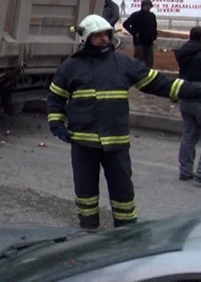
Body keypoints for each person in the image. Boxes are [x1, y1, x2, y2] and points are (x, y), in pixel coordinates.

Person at [47, 14, 201, 230]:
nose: (103, 39)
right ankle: (89, 230)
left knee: (123, 193)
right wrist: (56, 124)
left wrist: (194, 90)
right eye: (97, 35)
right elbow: (56, 97)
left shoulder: (124, 64)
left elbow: (160, 84)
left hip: (116, 143)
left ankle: (126, 232)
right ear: (85, 38)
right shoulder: (70, 67)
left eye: (106, 35)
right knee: (86, 193)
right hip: (83, 144)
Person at [175, 26, 201, 185]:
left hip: (184, 94)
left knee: (188, 135)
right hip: (199, 95)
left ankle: (185, 171)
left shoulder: (183, 52)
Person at [122, 0, 157, 68]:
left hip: (149, 42)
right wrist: (134, 33)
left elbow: (154, 27)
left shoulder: (152, 16)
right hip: (139, 42)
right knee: (137, 61)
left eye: (150, 6)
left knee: (149, 62)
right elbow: (125, 24)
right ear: (143, 6)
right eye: (147, 6)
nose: (148, 7)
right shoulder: (136, 15)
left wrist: (154, 36)